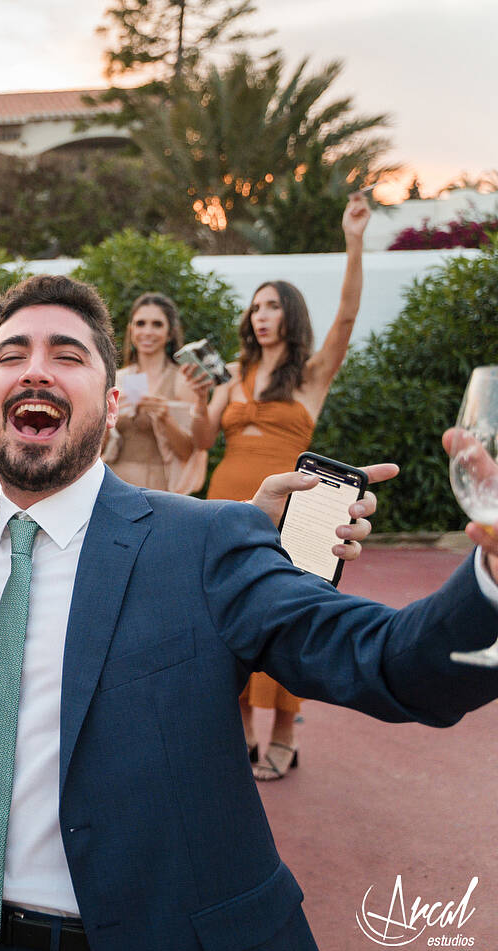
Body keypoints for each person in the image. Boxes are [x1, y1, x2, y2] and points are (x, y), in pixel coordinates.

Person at [0, 274, 498, 951]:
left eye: (67, 355)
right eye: (10, 356)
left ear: (114, 399)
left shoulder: (206, 542)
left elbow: (388, 661)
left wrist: (488, 585)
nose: (35, 370)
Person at [188, 192, 371, 780]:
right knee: (227, 614)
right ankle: (240, 729)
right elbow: (201, 437)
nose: (261, 314)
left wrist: (354, 240)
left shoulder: (311, 375)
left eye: (272, 306)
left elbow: (344, 319)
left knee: (282, 614)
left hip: (295, 513)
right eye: (256, 307)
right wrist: (199, 396)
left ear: (290, 315)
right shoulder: (234, 374)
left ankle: (286, 729)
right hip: (227, 505)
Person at [101, 292, 204, 492]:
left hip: (159, 488)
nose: (147, 331)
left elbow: (189, 452)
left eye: (157, 324)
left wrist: (166, 418)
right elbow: (96, 449)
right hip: (113, 483)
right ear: (131, 330)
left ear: (170, 332)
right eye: (140, 324)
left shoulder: (182, 381)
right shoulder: (115, 378)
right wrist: (106, 421)